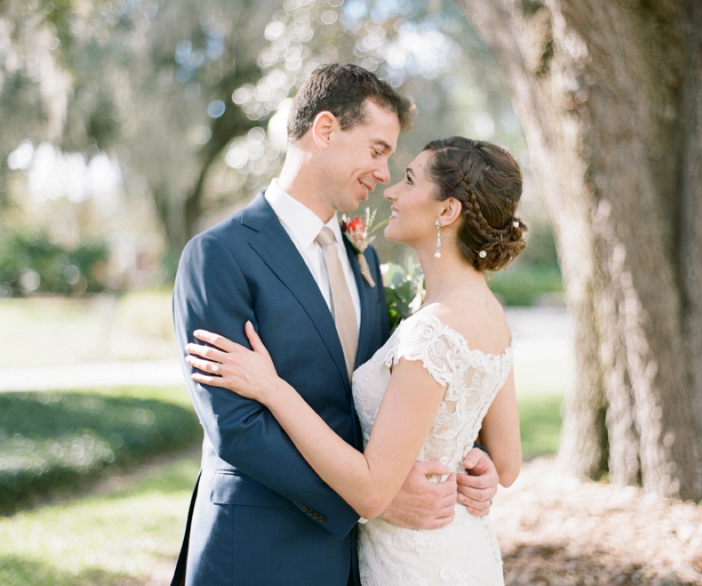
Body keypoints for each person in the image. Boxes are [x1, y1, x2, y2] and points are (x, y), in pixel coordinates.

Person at [171, 65, 500, 586]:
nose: (384, 173)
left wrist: (464, 460)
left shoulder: (361, 257)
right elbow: (236, 428)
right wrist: (375, 500)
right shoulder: (218, 256)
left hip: (353, 563)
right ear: (324, 130)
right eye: (376, 150)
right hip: (260, 552)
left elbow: (389, 397)